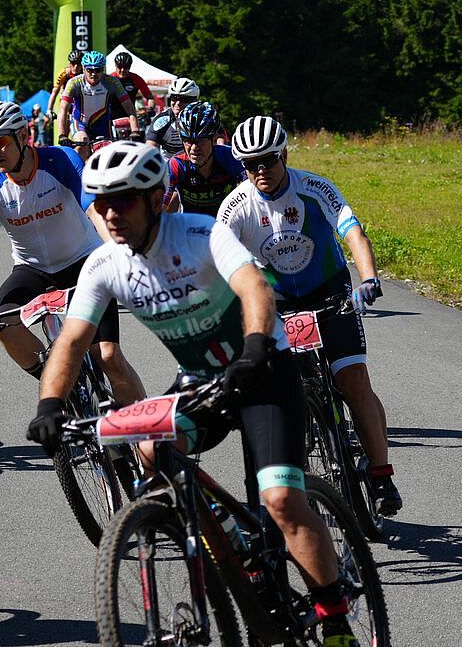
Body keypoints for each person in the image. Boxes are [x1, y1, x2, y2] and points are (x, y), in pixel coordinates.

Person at [25, 141, 366, 647]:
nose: (111, 213)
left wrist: (254, 346)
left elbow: (255, 288)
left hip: (262, 372)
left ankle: (335, 618)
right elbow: (73, 341)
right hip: (201, 379)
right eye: (100, 202)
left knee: (279, 499)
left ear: (157, 197)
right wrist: (49, 405)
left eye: (124, 200)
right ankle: (234, 549)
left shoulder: (204, 234)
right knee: (149, 448)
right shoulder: (103, 266)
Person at [218, 115, 402, 518]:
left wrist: (368, 278)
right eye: (250, 164)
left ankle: (382, 473)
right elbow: (218, 261)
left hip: (329, 291)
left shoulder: (315, 188)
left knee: (353, 381)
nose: (260, 170)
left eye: (267, 159)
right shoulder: (236, 206)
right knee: (287, 392)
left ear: (284, 154)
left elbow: (353, 234)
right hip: (278, 303)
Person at [0, 102, 145, 407]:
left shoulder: (59, 160)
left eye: (0, 142)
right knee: (3, 322)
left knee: (107, 356)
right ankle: (61, 383)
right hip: (33, 270)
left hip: (84, 263)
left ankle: (153, 441)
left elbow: (94, 209)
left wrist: (120, 254)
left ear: (24, 135)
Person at [163, 101, 246, 217]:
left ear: (214, 139)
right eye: (187, 140)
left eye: (200, 140)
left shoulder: (230, 157)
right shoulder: (177, 164)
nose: (194, 148)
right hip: (191, 227)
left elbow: (254, 191)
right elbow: (161, 205)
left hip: (226, 225)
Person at [56, 50, 139, 156]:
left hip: (103, 124)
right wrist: (62, 134)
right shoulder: (74, 83)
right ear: (83, 68)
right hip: (81, 122)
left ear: (103, 69)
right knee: (82, 144)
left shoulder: (112, 82)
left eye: (98, 70)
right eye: (90, 70)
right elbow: (63, 109)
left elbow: (129, 108)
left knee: (106, 155)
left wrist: (135, 130)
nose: (93, 74)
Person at [145, 76, 200, 157]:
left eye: (183, 99)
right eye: (174, 98)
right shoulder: (162, 120)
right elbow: (150, 148)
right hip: (169, 165)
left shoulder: (203, 117)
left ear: (194, 101)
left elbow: (219, 140)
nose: (177, 103)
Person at [110, 50, 159, 129]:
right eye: (120, 66)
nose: (122, 70)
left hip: (131, 117)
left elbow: (150, 97)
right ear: (115, 66)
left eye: (126, 67)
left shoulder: (136, 79)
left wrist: (150, 109)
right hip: (111, 117)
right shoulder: (110, 79)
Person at [47, 49, 83, 118]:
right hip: (67, 96)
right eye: (73, 63)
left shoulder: (85, 73)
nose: (76, 66)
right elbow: (54, 92)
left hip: (80, 96)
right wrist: (49, 110)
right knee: (64, 114)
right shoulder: (64, 73)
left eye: (78, 64)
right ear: (69, 64)